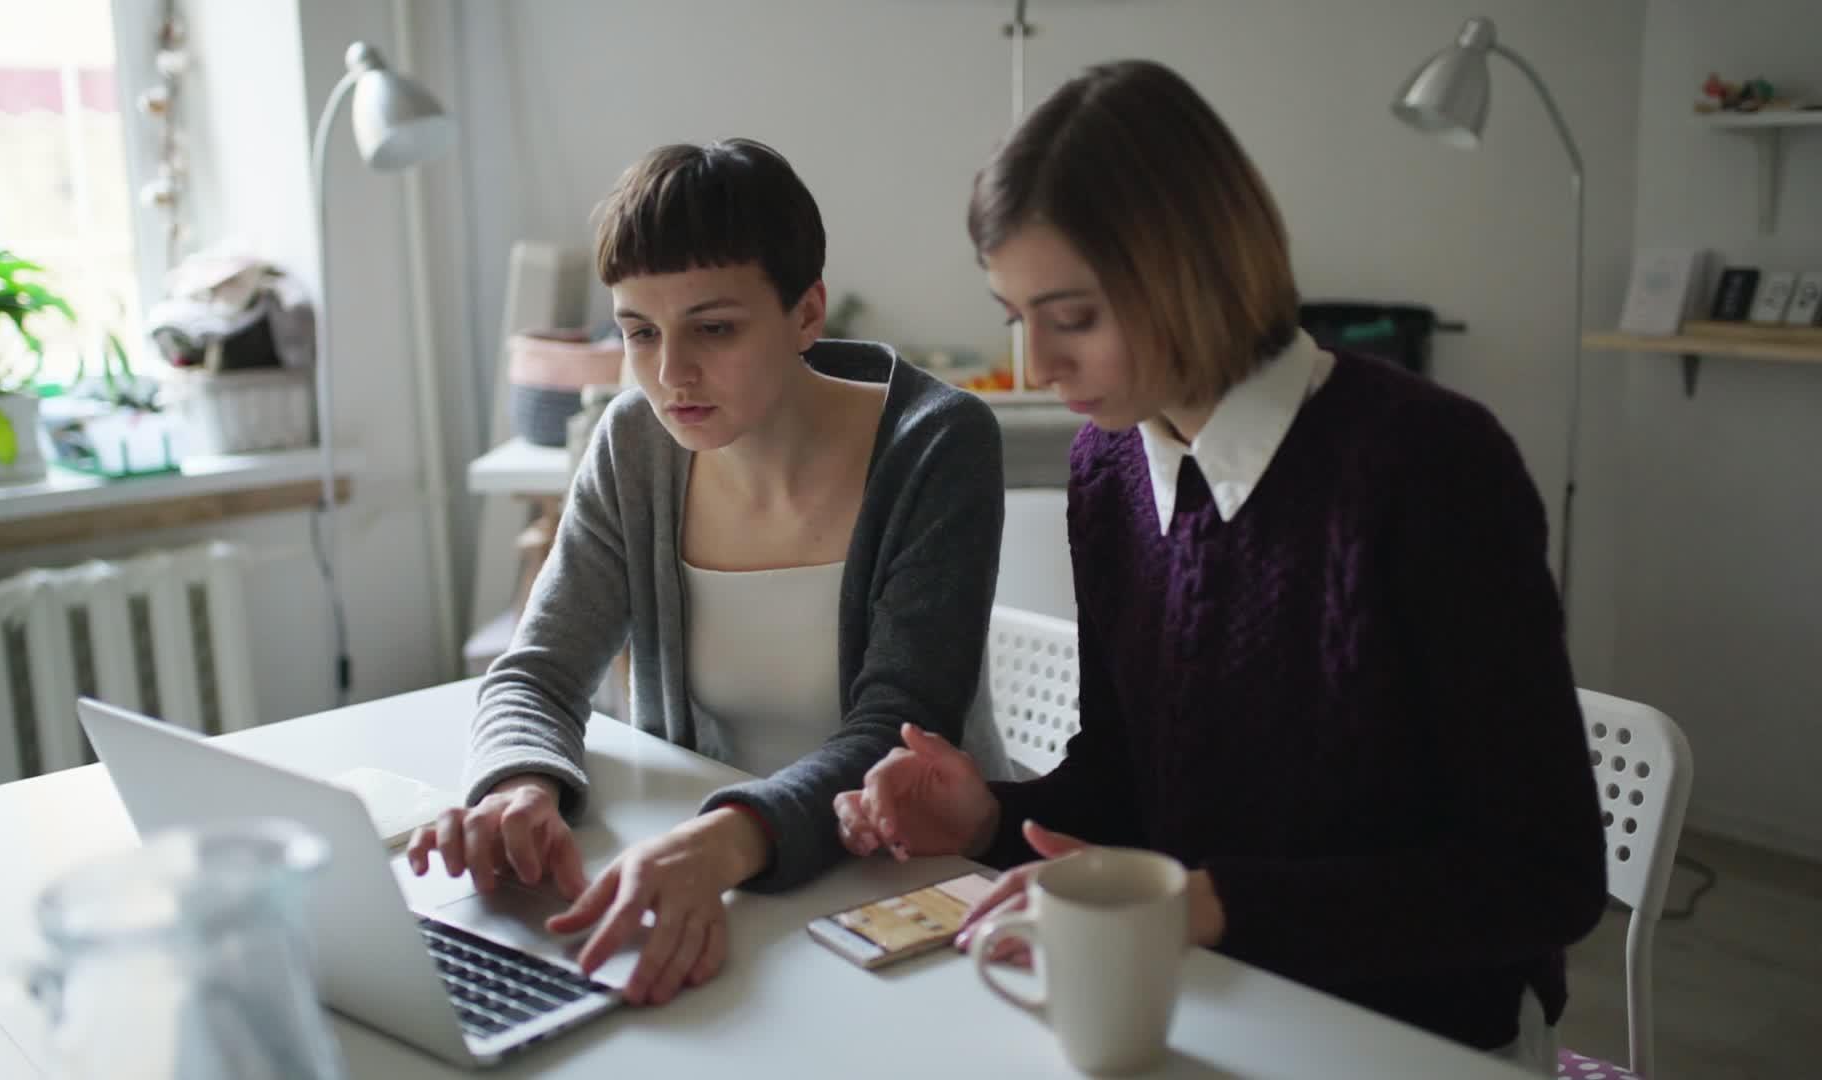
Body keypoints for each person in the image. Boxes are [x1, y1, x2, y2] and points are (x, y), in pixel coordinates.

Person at [833, 60, 1606, 1070]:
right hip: (1196, 995)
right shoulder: (1108, 465)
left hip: (1424, 1032)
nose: (1038, 367)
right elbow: (1124, 781)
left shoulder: (1427, 466)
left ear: (1190, 268)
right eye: (1017, 317)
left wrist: (1209, 904)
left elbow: (1542, 877)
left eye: (1074, 318)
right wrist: (991, 813)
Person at [411, 138, 1011, 1007]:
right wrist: (518, 785)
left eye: (714, 328)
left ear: (808, 313)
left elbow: (897, 725)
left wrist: (719, 843)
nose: (669, 374)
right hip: (724, 880)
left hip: (912, 890)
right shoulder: (635, 444)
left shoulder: (936, 443)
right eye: (639, 333)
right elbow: (539, 670)